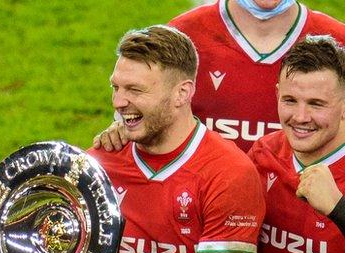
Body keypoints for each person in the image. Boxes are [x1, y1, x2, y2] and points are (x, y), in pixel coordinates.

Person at [0, 25, 266, 253]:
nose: (120, 102)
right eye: (116, 87)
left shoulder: (228, 174)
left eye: (135, 90)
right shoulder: (101, 166)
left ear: (182, 93)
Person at [95, 0, 345, 152]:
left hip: (304, 229)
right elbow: (138, 115)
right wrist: (121, 128)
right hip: (200, 223)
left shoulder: (339, 44)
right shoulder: (183, 37)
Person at [247, 35, 345, 253]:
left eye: (316, 104)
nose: (300, 117)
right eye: (290, 101)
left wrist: (338, 209)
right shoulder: (263, 154)